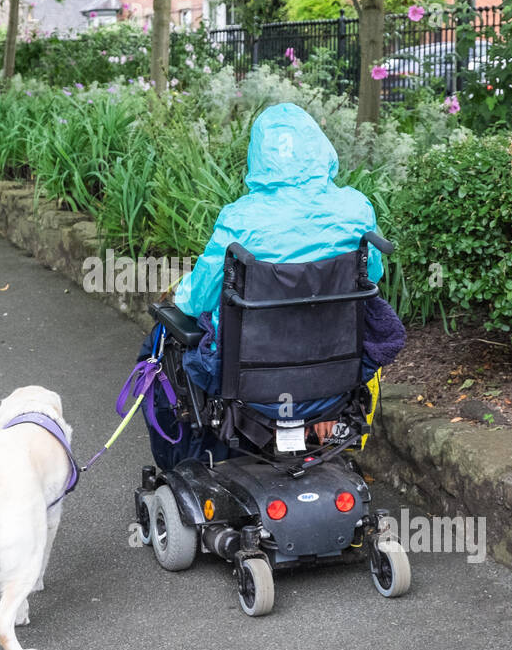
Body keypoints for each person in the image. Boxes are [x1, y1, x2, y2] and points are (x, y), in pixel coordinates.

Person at [140, 102, 404, 468]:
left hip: (255, 386)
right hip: (333, 378)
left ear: (258, 157)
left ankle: (187, 468)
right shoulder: (356, 209)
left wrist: (176, 294)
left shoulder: (241, 218)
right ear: (320, 147)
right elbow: (370, 278)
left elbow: (197, 298)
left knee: (158, 347)